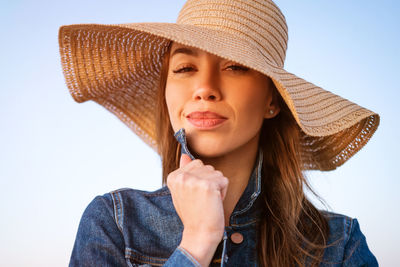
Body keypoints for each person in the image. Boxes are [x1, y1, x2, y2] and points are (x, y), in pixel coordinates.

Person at [58, 0, 379, 266]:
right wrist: (197, 241)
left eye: (235, 66)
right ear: (166, 92)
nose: (205, 88)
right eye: (185, 68)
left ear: (272, 100)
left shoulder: (338, 246)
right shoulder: (116, 223)